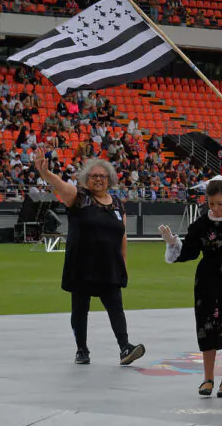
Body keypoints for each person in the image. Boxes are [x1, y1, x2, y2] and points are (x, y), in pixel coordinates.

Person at [33, 153, 145, 367]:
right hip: (82, 264)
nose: (98, 179)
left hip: (109, 265)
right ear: (86, 179)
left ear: (109, 179)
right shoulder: (79, 198)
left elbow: (122, 236)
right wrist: (46, 174)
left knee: (116, 307)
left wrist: (124, 263)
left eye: (102, 176)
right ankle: (81, 350)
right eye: (93, 176)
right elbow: (62, 186)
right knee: (80, 308)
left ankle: (125, 348)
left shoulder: (118, 204)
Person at [158, 179, 222, 398]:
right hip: (207, 281)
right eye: (211, 203)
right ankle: (207, 378)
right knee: (207, 327)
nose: (215, 208)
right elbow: (190, 252)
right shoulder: (200, 225)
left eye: (219, 203)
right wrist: (173, 243)